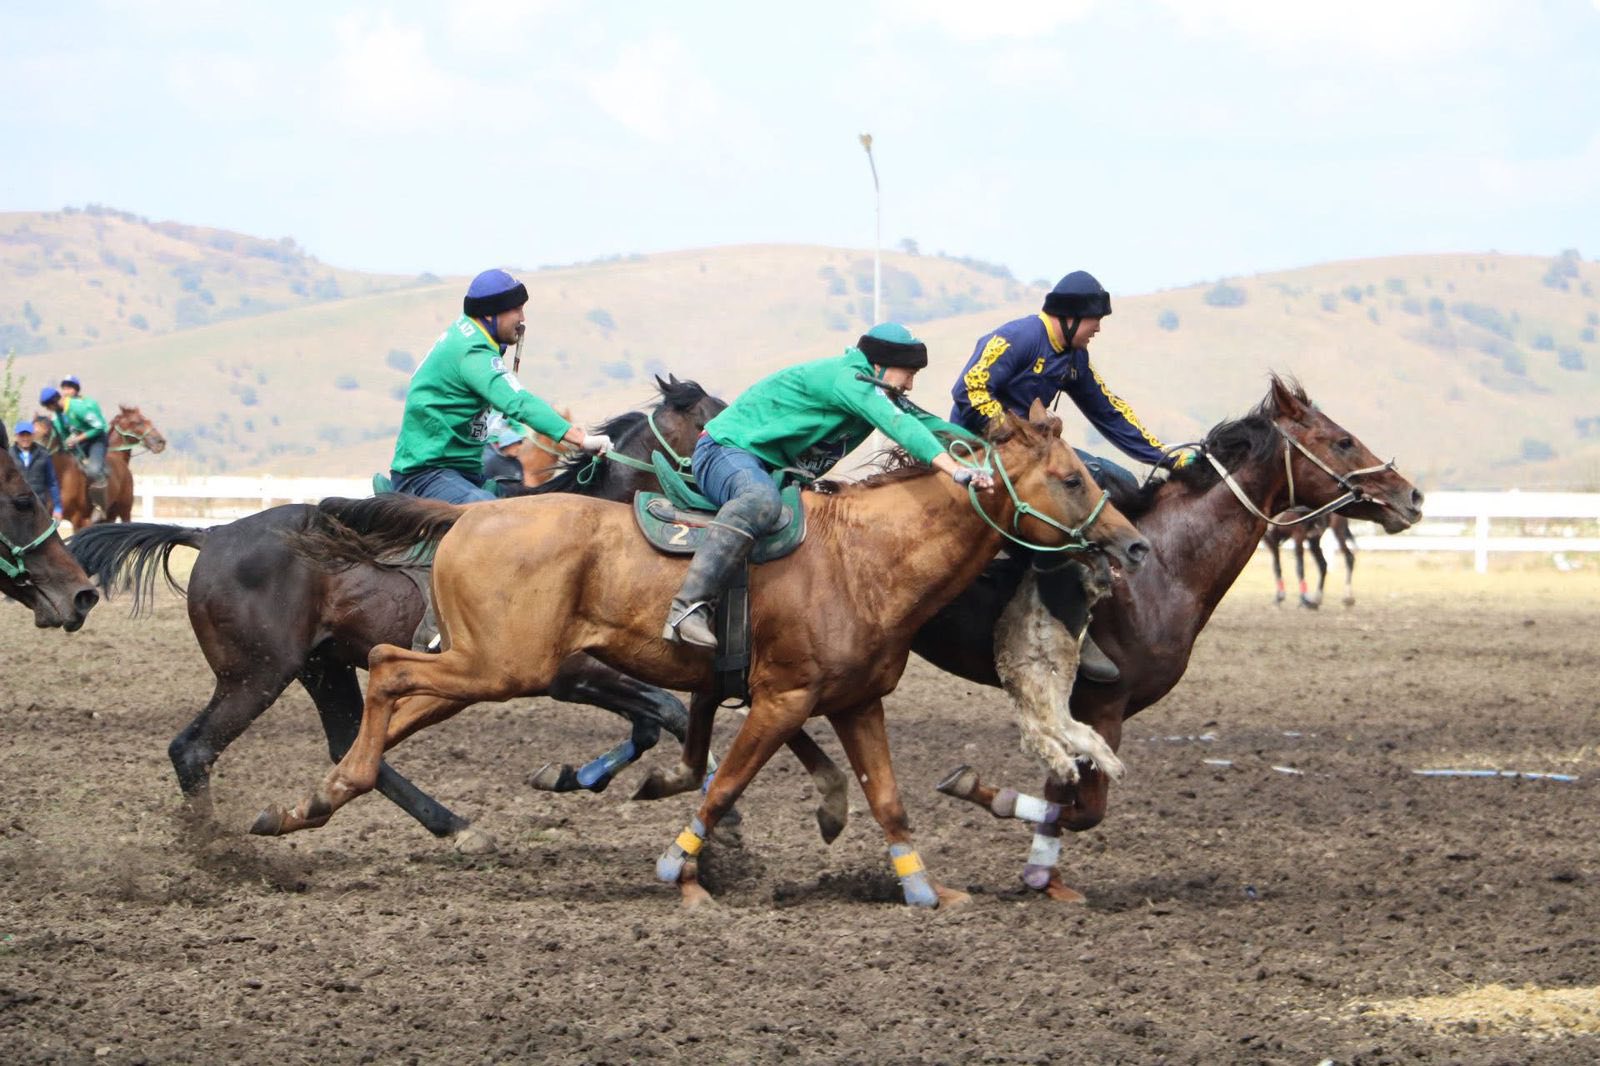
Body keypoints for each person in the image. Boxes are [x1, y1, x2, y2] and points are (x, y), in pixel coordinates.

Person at [663, 322, 992, 648]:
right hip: (724, 450)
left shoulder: (873, 387)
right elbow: (900, 425)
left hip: (768, 468)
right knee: (758, 500)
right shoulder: (850, 380)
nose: (909, 385)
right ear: (880, 365)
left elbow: (927, 423)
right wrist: (953, 469)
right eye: (908, 373)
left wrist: (995, 454)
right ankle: (687, 609)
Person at [949, 270, 1193, 683]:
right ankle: (1068, 624)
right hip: (984, 450)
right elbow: (970, 389)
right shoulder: (1018, 338)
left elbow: (1107, 410)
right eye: (1094, 319)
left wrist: (1165, 456)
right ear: (1069, 317)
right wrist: (1017, 432)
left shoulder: (1073, 358)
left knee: (1116, 477)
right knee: (1073, 498)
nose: (1098, 328)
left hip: (1035, 454)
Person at [390, 269, 610, 503]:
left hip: (463, 473)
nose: (522, 318)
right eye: (516, 309)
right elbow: (519, 402)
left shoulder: (472, 338)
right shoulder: (472, 352)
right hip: (426, 476)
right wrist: (581, 439)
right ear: (489, 314)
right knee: (492, 520)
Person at [39, 384, 109, 486]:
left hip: (96, 440)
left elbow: (99, 427)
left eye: (48, 407)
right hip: (78, 443)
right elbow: (63, 433)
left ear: (54, 403)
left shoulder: (78, 408)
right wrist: (67, 441)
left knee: (93, 471)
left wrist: (77, 439)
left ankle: (101, 497)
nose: (48, 410)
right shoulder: (58, 413)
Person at [8, 420, 64, 520]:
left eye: (28, 435)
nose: (25, 438)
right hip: (15, 506)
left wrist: (58, 507)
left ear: (33, 436)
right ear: (16, 436)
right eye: (22, 435)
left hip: (39, 505)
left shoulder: (44, 454)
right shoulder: (8, 455)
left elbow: (52, 482)